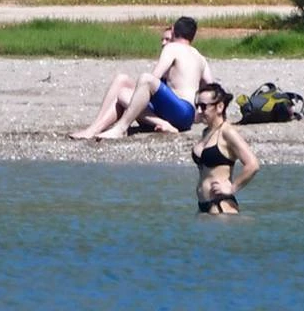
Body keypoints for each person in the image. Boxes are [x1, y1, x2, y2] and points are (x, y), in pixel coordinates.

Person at [68, 16, 215, 139]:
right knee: (122, 86)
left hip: (181, 110)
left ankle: (121, 128)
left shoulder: (172, 48)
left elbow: (154, 77)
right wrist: (203, 115)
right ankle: (94, 129)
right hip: (183, 115)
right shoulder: (200, 58)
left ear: (173, 31)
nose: (164, 43)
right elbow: (212, 89)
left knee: (146, 79)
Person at [192, 82, 260, 214]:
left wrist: (232, 188)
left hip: (221, 206)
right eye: (197, 106)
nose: (199, 110)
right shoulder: (206, 132)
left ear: (220, 107)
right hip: (204, 206)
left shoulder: (227, 132)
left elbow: (253, 165)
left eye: (203, 106)